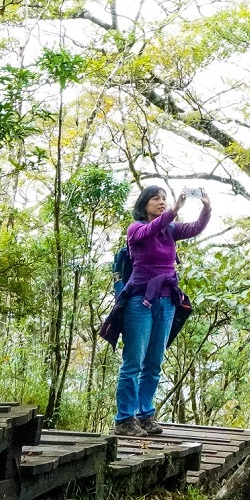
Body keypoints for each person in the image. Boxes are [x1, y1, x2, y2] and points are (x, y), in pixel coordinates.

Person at [100, 183, 211, 435]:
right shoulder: (136, 229)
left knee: (154, 363)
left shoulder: (169, 230)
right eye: (156, 199)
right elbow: (150, 229)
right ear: (144, 204)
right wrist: (174, 209)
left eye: (164, 198)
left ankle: (145, 415)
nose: (161, 202)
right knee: (133, 362)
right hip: (140, 301)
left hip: (166, 301)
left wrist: (207, 209)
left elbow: (195, 228)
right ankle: (124, 420)